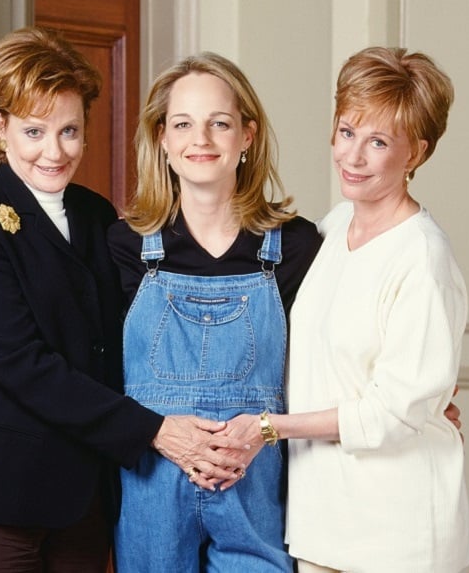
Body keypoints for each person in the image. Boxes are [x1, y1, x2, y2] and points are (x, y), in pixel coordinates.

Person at [0, 27, 244, 573]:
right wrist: (156, 430)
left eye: (69, 130)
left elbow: (137, 335)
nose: (55, 151)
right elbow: (22, 364)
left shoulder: (101, 218)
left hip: (83, 497)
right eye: (34, 131)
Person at [218, 47, 469, 572]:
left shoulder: (422, 258)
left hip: (395, 536)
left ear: (416, 153)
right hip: (322, 526)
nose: (352, 157)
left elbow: (391, 413)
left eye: (378, 141)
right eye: (346, 132)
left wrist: (271, 427)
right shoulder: (334, 228)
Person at [106, 53, 322, 571]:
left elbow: (335, 354)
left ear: (247, 135)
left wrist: (421, 398)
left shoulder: (297, 246)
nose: (200, 140)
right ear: (162, 137)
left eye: (218, 123)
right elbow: (84, 361)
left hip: (258, 494)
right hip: (150, 489)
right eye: (183, 123)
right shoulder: (122, 245)